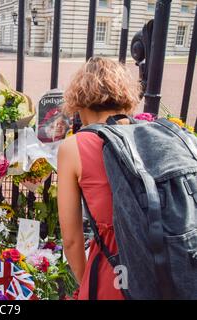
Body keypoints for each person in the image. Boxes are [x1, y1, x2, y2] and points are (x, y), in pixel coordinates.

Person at [57, 57, 141, 300]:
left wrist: (87, 285)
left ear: (80, 100)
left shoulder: (75, 147)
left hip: (112, 268)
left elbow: (72, 240)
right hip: (161, 263)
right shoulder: (148, 134)